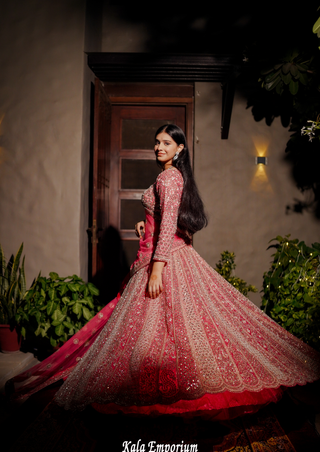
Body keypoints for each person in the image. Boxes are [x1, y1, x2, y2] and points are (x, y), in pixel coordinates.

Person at [9, 124, 320, 421]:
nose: (159, 147)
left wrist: (157, 269)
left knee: (164, 332)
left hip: (164, 261)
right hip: (166, 253)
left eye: (166, 143)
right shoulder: (170, 177)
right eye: (157, 142)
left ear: (180, 148)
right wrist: (146, 225)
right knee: (167, 331)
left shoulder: (169, 178)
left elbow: (170, 223)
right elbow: (164, 220)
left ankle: (168, 390)